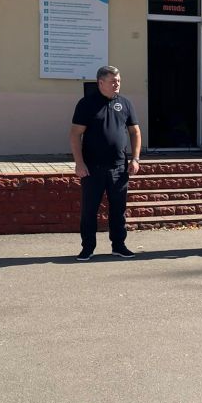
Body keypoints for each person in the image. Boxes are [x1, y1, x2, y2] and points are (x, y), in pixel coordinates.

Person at [70, 66, 142, 261]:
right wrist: (79, 163)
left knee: (118, 210)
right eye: (113, 81)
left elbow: (135, 132)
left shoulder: (125, 103)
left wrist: (135, 158)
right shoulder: (86, 104)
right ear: (100, 83)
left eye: (118, 80)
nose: (117, 84)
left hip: (119, 168)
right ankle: (87, 248)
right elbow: (75, 134)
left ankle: (119, 246)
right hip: (92, 168)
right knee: (89, 210)